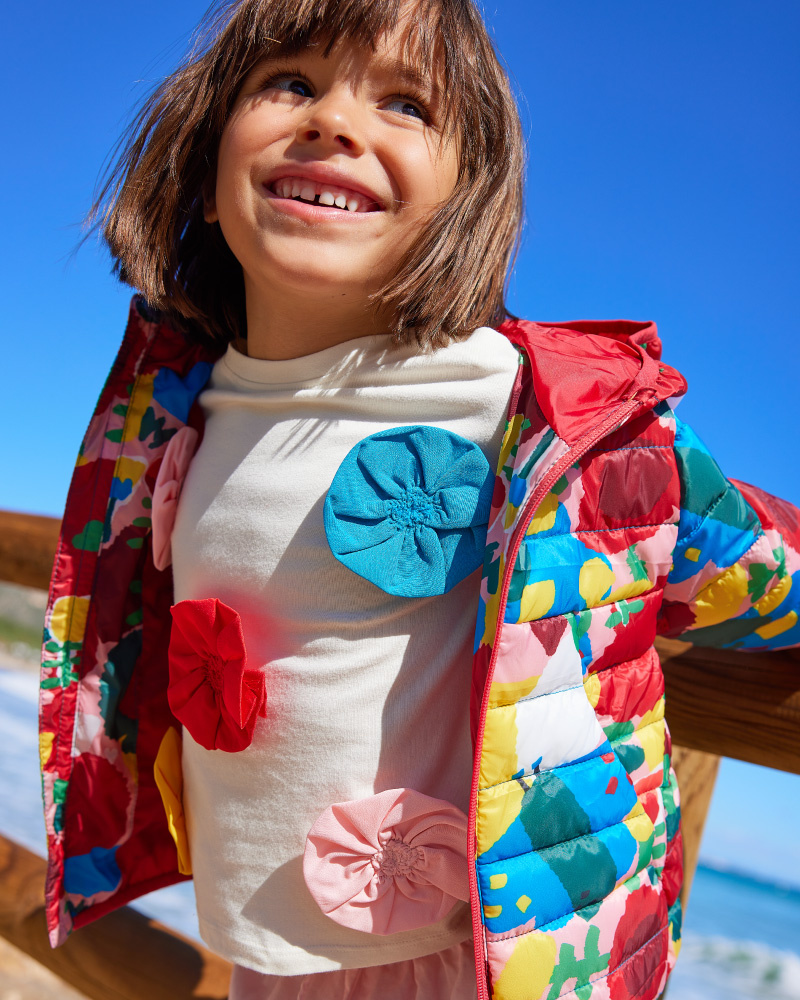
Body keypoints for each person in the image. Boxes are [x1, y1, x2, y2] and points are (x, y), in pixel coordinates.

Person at [37, 1, 800, 998]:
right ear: (208, 176)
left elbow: (745, 557)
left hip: (481, 954)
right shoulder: (176, 412)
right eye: (291, 83)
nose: (335, 122)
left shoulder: (546, 415)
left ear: (464, 201)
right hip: (276, 947)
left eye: (405, 102)